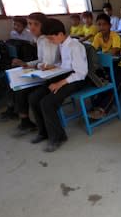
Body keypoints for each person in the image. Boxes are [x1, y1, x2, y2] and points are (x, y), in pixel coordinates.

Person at [28, 18, 88, 152]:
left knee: (47, 102)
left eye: (51, 38)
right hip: (64, 75)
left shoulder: (75, 46)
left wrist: (59, 83)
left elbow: (81, 73)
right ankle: (43, 132)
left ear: (60, 34)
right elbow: (65, 64)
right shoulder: (62, 44)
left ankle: (58, 137)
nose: (50, 41)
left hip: (76, 80)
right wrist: (52, 66)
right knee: (34, 98)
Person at [11, 12, 61, 137]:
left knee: (24, 91)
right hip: (44, 72)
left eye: (36, 24)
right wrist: (26, 64)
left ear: (44, 26)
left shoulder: (47, 40)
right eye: (29, 24)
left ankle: (27, 122)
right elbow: (40, 61)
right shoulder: (39, 39)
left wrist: (33, 66)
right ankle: (25, 121)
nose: (32, 27)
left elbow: (47, 64)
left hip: (52, 75)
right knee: (16, 85)